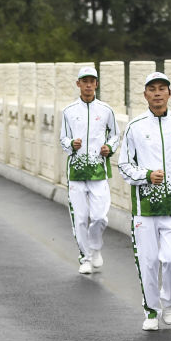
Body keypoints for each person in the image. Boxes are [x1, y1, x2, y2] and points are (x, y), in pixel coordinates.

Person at [118, 72, 171, 331]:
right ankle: (151, 310)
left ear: (170, 94)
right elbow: (123, 165)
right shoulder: (135, 127)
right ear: (145, 95)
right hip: (144, 206)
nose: (158, 93)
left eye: (163, 89)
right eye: (152, 89)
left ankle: (168, 301)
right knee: (149, 261)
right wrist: (147, 176)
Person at [59, 66, 119, 275]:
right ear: (78, 84)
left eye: (91, 81)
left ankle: (95, 248)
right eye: (84, 81)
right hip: (76, 173)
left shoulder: (105, 110)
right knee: (81, 218)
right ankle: (85, 258)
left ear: (96, 84)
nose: (88, 85)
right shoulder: (68, 111)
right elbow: (63, 138)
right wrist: (70, 145)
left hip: (98, 172)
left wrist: (109, 148)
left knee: (100, 217)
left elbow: (115, 136)